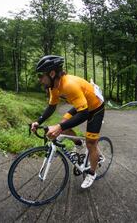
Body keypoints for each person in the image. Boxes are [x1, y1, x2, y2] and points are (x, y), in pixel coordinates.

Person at [31, 55, 105, 189]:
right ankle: (79, 143)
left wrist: (59, 126)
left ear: (52, 73)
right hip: (81, 105)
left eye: (41, 76)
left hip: (95, 108)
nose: (40, 79)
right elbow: (52, 106)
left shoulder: (69, 85)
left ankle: (92, 172)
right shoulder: (53, 86)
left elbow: (83, 114)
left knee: (91, 142)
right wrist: (38, 121)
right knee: (64, 125)